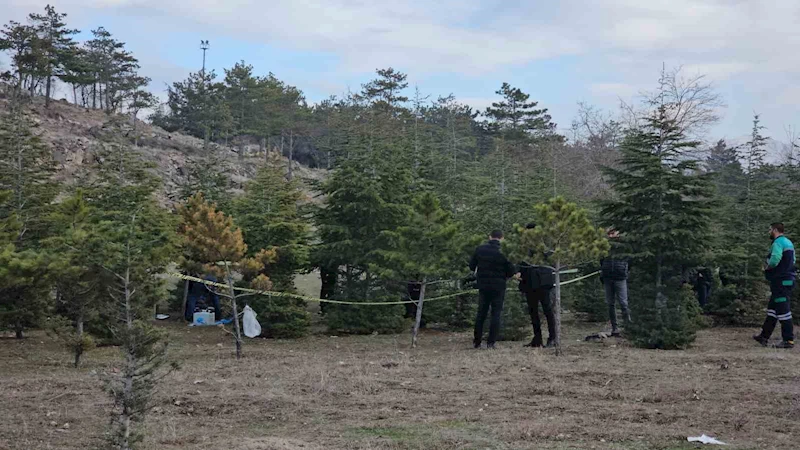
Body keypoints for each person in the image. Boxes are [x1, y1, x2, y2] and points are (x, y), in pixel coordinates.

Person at [469, 230, 516, 349]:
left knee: (481, 313)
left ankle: (477, 341)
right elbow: (511, 270)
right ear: (502, 238)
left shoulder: (480, 249)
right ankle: (491, 342)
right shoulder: (505, 251)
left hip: (483, 285)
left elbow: (471, 266)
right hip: (499, 286)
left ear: (489, 237)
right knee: (496, 314)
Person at [753, 223, 795, 349]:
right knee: (772, 309)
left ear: (776, 230)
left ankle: (788, 340)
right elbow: (793, 261)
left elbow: (775, 258)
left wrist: (767, 267)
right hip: (787, 280)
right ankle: (764, 336)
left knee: (783, 310)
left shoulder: (778, 242)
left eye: (770, 229)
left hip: (781, 281)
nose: (769, 232)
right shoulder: (789, 243)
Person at [518, 223, 556, 348]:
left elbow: (549, 256)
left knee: (547, 310)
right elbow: (521, 262)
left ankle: (552, 338)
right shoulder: (524, 245)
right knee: (533, 311)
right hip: (529, 282)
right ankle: (537, 338)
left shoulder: (543, 243)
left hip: (543, 282)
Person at [600, 229, 630, 337]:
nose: (611, 235)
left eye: (613, 233)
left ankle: (628, 327)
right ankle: (615, 328)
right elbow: (601, 260)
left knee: (623, 303)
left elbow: (629, 260)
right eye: (609, 233)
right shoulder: (604, 246)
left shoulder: (623, 246)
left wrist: (624, 270)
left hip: (620, 277)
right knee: (610, 303)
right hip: (608, 278)